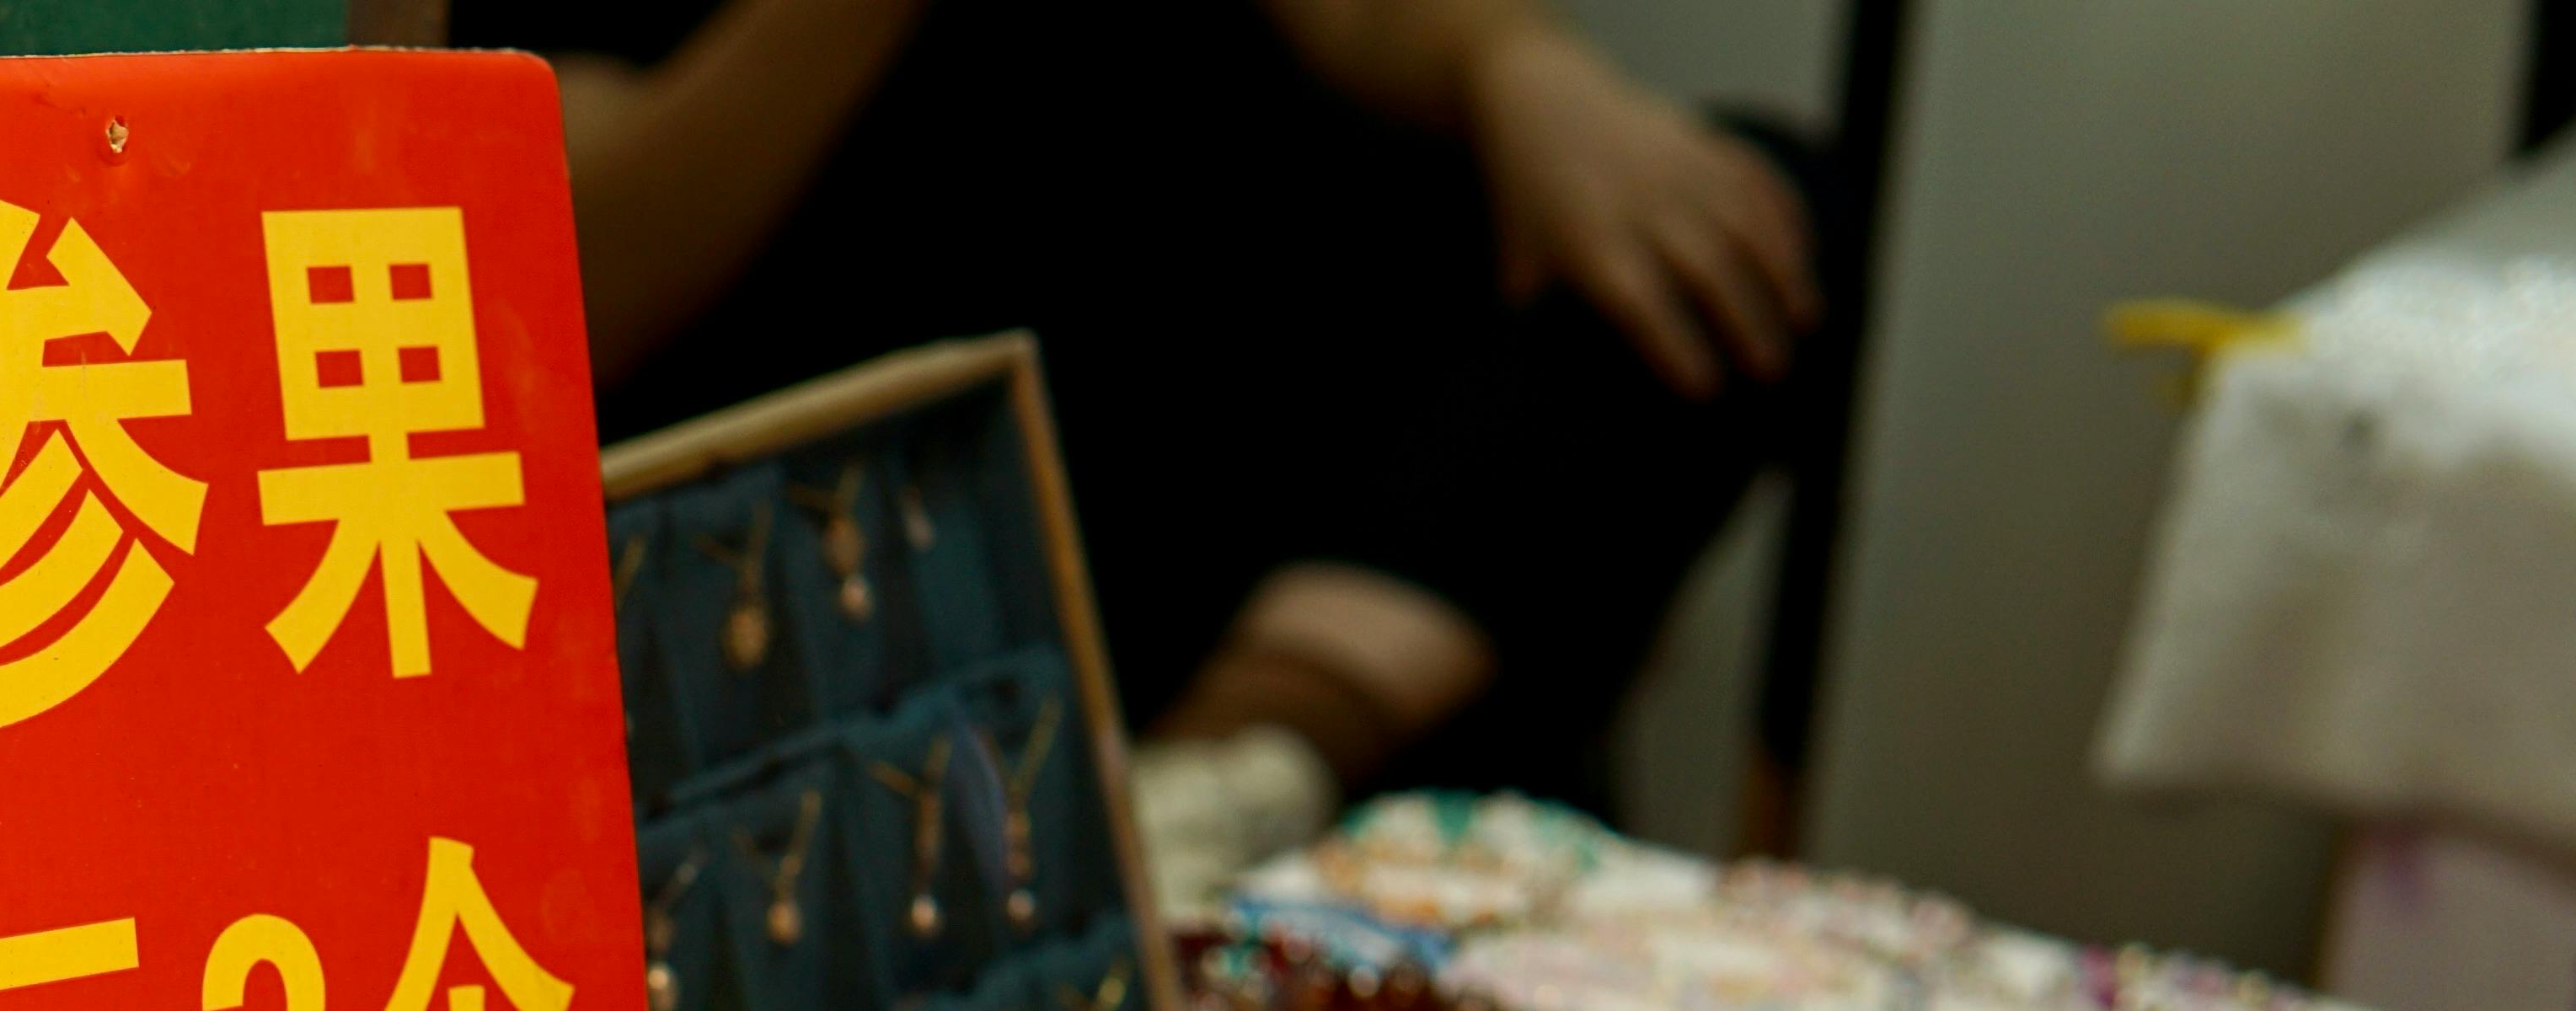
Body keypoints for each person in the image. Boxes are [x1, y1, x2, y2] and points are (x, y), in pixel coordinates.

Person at [488, 0, 1834, 852]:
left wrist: (1520, 67)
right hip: (865, 430)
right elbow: (559, 278)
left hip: (1243, 389)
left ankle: (1256, 746)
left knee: (1763, 209)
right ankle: (1234, 761)